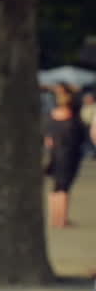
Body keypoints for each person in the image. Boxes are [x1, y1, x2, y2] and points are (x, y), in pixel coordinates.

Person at [45, 85, 86, 228]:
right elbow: (80, 137)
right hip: (69, 155)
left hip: (55, 154)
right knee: (64, 187)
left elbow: (48, 139)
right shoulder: (73, 118)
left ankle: (55, 218)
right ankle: (62, 219)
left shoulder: (52, 116)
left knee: (56, 187)